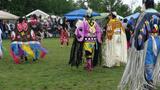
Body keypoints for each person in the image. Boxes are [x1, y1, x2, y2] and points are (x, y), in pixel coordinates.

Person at [119, 0, 160, 90]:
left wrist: (137, 44)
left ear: (146, 5)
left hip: (148, 41)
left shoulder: (144, 14)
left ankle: (149, 82)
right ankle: (151, 80)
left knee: (148, 61)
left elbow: (139, 29)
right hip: (158, 41)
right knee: (154, 60)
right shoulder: (158, 14)